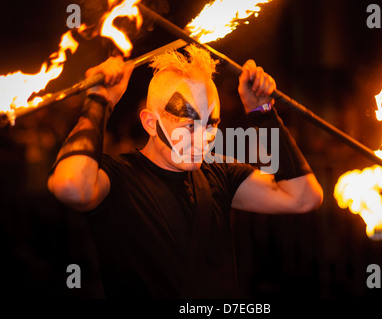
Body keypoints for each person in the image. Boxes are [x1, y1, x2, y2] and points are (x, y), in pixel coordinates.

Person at [47, 44, 323, 298]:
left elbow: (303, 197)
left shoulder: (219, 173)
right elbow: (70, 185)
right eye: (189, 125)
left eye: (211, 125)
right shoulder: (119, 177)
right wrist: (99, 100)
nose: (203, 139)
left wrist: (262, 112)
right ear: (151, 123)